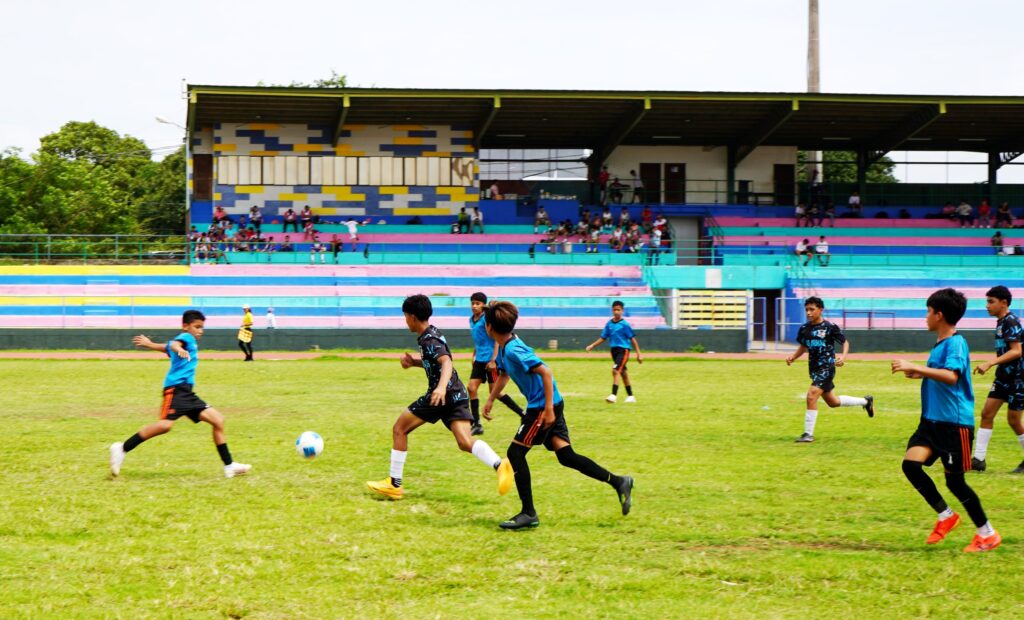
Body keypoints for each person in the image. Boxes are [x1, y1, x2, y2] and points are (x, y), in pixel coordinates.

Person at [482, 300, 634, 530]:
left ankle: (528, 513)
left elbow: (545, 371)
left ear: (490, 327)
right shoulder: (505, 347)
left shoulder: (513, 349)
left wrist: (549, 411)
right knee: (566, 456)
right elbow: (503, 374)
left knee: (515, 452)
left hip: (544, 407)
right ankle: (620, 482)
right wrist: (492, 398)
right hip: (549, 403)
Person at [365, 294, 514, 500]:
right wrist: (415, 362)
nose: (405, 320)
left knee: (400, 429)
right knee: (464, 442)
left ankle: (394, 484)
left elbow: (446, 362)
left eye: (406, 316)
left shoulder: (429, 339)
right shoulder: (433, 333)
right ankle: (500, 465)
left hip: (441, 396)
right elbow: (437, 359)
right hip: (457, 394)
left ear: (413, 316)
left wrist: (440, 388)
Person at [891, 288, 1001, 552]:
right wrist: (919, 375)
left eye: (928, 312)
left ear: (939, 315)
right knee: (911, 465)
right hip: (930, 422)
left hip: (954, 425)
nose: (926, 317)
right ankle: (946, 516)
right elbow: (940, 374)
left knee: (955, 482)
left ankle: (987, 533)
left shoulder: (956, 343)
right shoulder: (941, 343)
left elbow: (952, 376)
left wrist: (915, 366)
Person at [108, 310, 252, 479]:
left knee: (218, 420)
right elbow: (175, 345)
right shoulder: (186, 338)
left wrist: (150, 344)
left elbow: (168, 347)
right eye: (197, 327)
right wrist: (178, 349)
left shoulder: (187, 340)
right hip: (176, 390)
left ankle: (229, 466)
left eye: (202, 327)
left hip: (187, 393)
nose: (200, 331)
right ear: (185, 326)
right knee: (164, 426)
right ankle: (122, 448)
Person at [786, 297, 874, 443]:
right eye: (807, 309)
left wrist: (843, 357)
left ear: (821, 310)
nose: (808, 312)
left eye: (812, 309)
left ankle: (808, 434)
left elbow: (845, 342)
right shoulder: (804, 329)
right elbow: (803, 346)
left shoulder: (830, 327)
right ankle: (866, 401)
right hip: (814, 369)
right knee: (833, 402)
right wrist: (793, 357)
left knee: (811, 396)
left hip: (827, 367)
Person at [970, 286, 1024, 473]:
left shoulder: (1011, 321)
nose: (987, 306)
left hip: (1018, 377)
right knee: (987, 413)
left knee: (1014, 420)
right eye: (987, 301)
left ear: (1004, 303)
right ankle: (978, 459)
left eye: (991, 301)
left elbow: (1017, 351)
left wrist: (990, 363)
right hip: (1004, 376)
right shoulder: (1001, 322)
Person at [467, 292, 524, 435]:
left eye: (478, 303)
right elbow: (479, 340)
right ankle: (477, 424)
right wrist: (474, 354)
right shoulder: (471, 320)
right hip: (480, 360)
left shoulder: (488, 319)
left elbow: (496, 340)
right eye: (472, 303)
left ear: (483, 305)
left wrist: (494, 360)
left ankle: (523, 414)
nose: (474, 306)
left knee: (496, 392)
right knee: (471, 388)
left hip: (490, 361)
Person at [585, 301, 643, 403]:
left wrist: (639, 354)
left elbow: (633, 339)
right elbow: (603, 337)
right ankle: (630, 396)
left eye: (618, 310)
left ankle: (613, 395)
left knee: (615, 370)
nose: (616, 312)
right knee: (623, 372)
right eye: (615, 310)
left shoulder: (624, 324)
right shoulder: (609, 324)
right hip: (614, 351)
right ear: (612, 310)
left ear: (622, 311)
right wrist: (592, 345)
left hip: (623, 350)